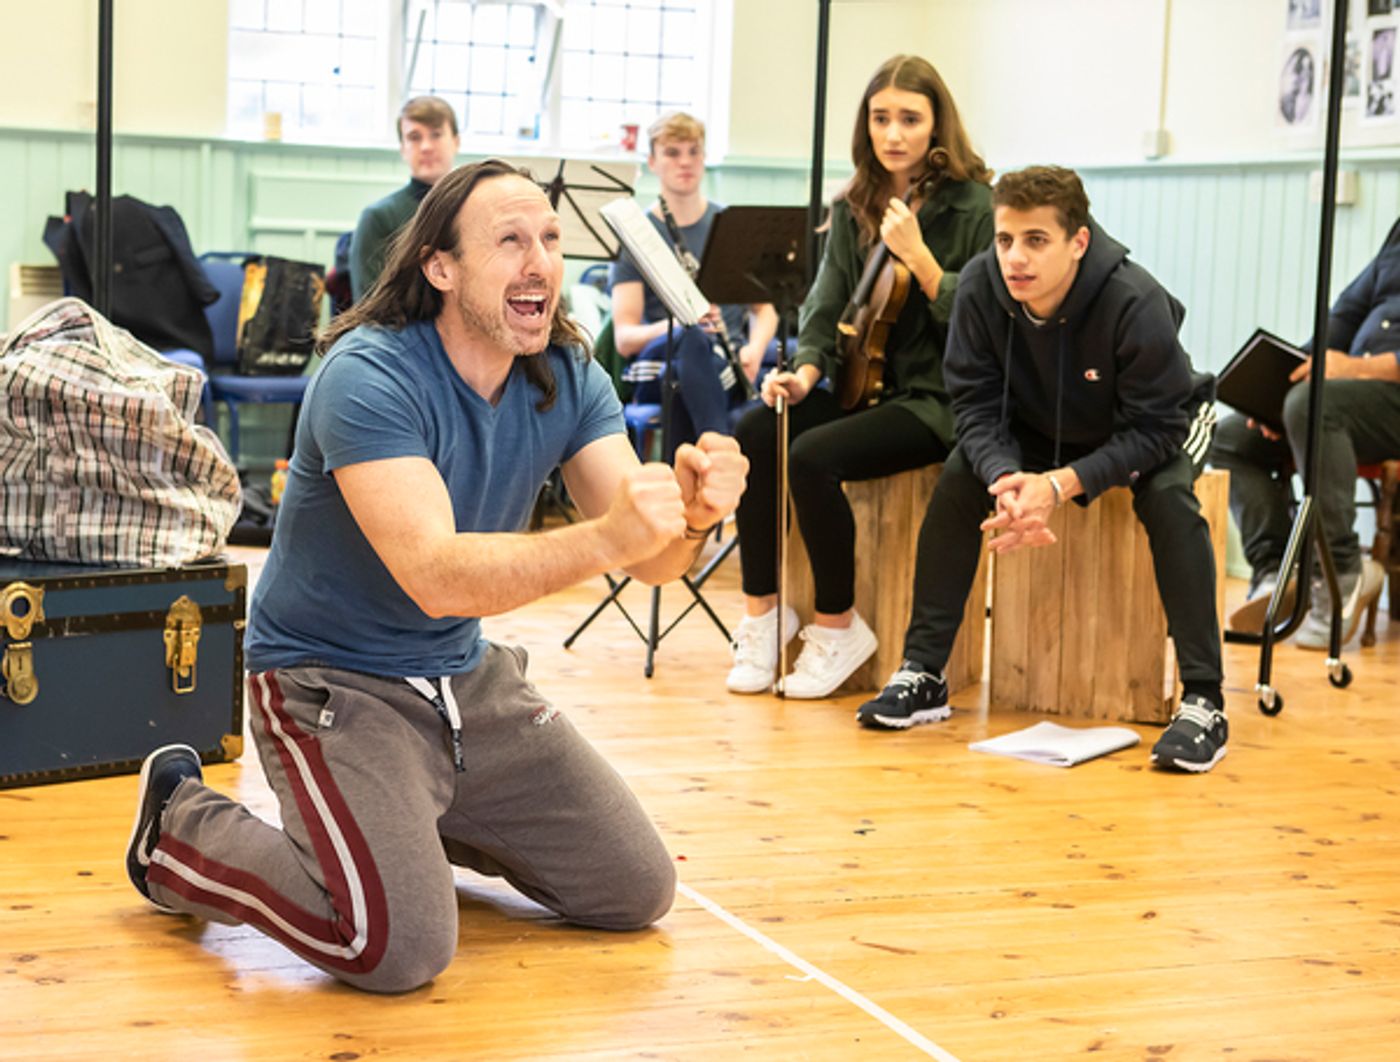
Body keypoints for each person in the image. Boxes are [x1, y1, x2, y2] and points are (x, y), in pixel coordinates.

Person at [124, 159, 748, 993]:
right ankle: (179, 828)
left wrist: (695, 519)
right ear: (441, 268)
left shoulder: (568, 373)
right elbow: (437, 578)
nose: (541, 263)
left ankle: (407, 827)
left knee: (636, 889)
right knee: (392, 949)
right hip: (327, 682)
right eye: (511, 241)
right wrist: (613, 536)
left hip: (461, 681)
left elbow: (649, 559)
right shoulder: (368, 375)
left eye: (553, 241)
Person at [856, 165, 1227, 774]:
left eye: (1036, 240)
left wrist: (1058, 486)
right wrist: (1008, 479)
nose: (1015, 258)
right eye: (1005, 240)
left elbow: (1157, 429)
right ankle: (924, 672)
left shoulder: (1135, 301)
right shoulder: (979, 287)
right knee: (959, 477)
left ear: (1077, 242)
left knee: (1169, 500)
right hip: (1040, 427)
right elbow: (973, 406)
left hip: (1155, 423)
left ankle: (1205, 701)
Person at [725, 55, 994, 700]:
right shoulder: (857, 204)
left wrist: (922, 260)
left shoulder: (975, 207)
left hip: (935, 402)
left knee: (813, 456)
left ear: (938, 127)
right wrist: (804, 371)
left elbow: (984, 323)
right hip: (859, 387)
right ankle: (764, 614)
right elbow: (826, 302)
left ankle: (838, 624)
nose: (894, 133)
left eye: (909, 118)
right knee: (757, 429)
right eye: (881, 118)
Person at [1210, 217, 1399, 648]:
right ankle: (1277, 570)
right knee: (1231, 436)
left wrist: (1355, 368)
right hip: (1350, 396)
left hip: (1387, 397)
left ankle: (1343, 572)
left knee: (1311, 406)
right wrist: (1282, 385)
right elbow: (1345, 315)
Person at [610, 112, 779, 453]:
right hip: (655, 365)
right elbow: (624, 339)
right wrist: (682, 322)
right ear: (653, 162)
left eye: (694, 151)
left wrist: (754, 351)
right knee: (689, 340)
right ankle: (720, 454)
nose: (685, 162)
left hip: (727, 364)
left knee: (686, 379)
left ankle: (693, 492)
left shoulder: (728, 225)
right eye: (673, 153)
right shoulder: (637, 236)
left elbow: (766, 310)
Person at [349, 96, 461, 302]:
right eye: (414, 137)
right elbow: (368, 307)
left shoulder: (474, 211)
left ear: (456, 141)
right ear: (403, 148)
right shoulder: (378, 218)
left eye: (436, 135)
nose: (426, 146)